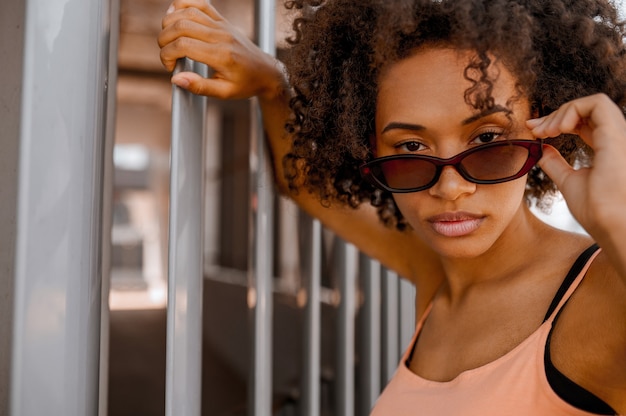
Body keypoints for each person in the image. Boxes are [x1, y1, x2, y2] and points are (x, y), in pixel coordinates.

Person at [159, 0, 626, 413]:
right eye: (410, 148)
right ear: (371, 148)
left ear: (544, 126)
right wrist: (271, 83)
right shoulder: (436, 273)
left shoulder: (601, 293)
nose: (450, 187)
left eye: (487, 140)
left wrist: (619, 219)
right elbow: (302, 182)